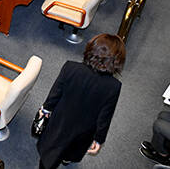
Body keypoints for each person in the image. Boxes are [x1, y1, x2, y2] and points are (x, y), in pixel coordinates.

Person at [37, 34, 125, 169]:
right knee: (73, 149)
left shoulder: (70, 67)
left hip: (61, 120)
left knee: (50, 153)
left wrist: (46, 109)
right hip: (85, 129)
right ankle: (67, 159)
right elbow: (105, 116)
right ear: (117, 61)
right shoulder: (114, 86)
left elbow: (55, 94)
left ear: (90, 50)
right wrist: (99, 139)